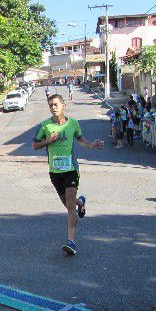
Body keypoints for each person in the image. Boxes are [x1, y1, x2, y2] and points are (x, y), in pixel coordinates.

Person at [32, 94, 103, 255]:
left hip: (71, 169)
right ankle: (81, 203)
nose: (53, 107)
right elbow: (35, 145)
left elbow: (80, 139)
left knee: (69, 206)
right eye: (50, 105)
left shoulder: (73, 123)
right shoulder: (44, 126)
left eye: (56, 104)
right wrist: (48, 141)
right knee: (68, 203)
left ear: (63, 105)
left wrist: (91, 145)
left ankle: (71, 242)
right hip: (55, 172)